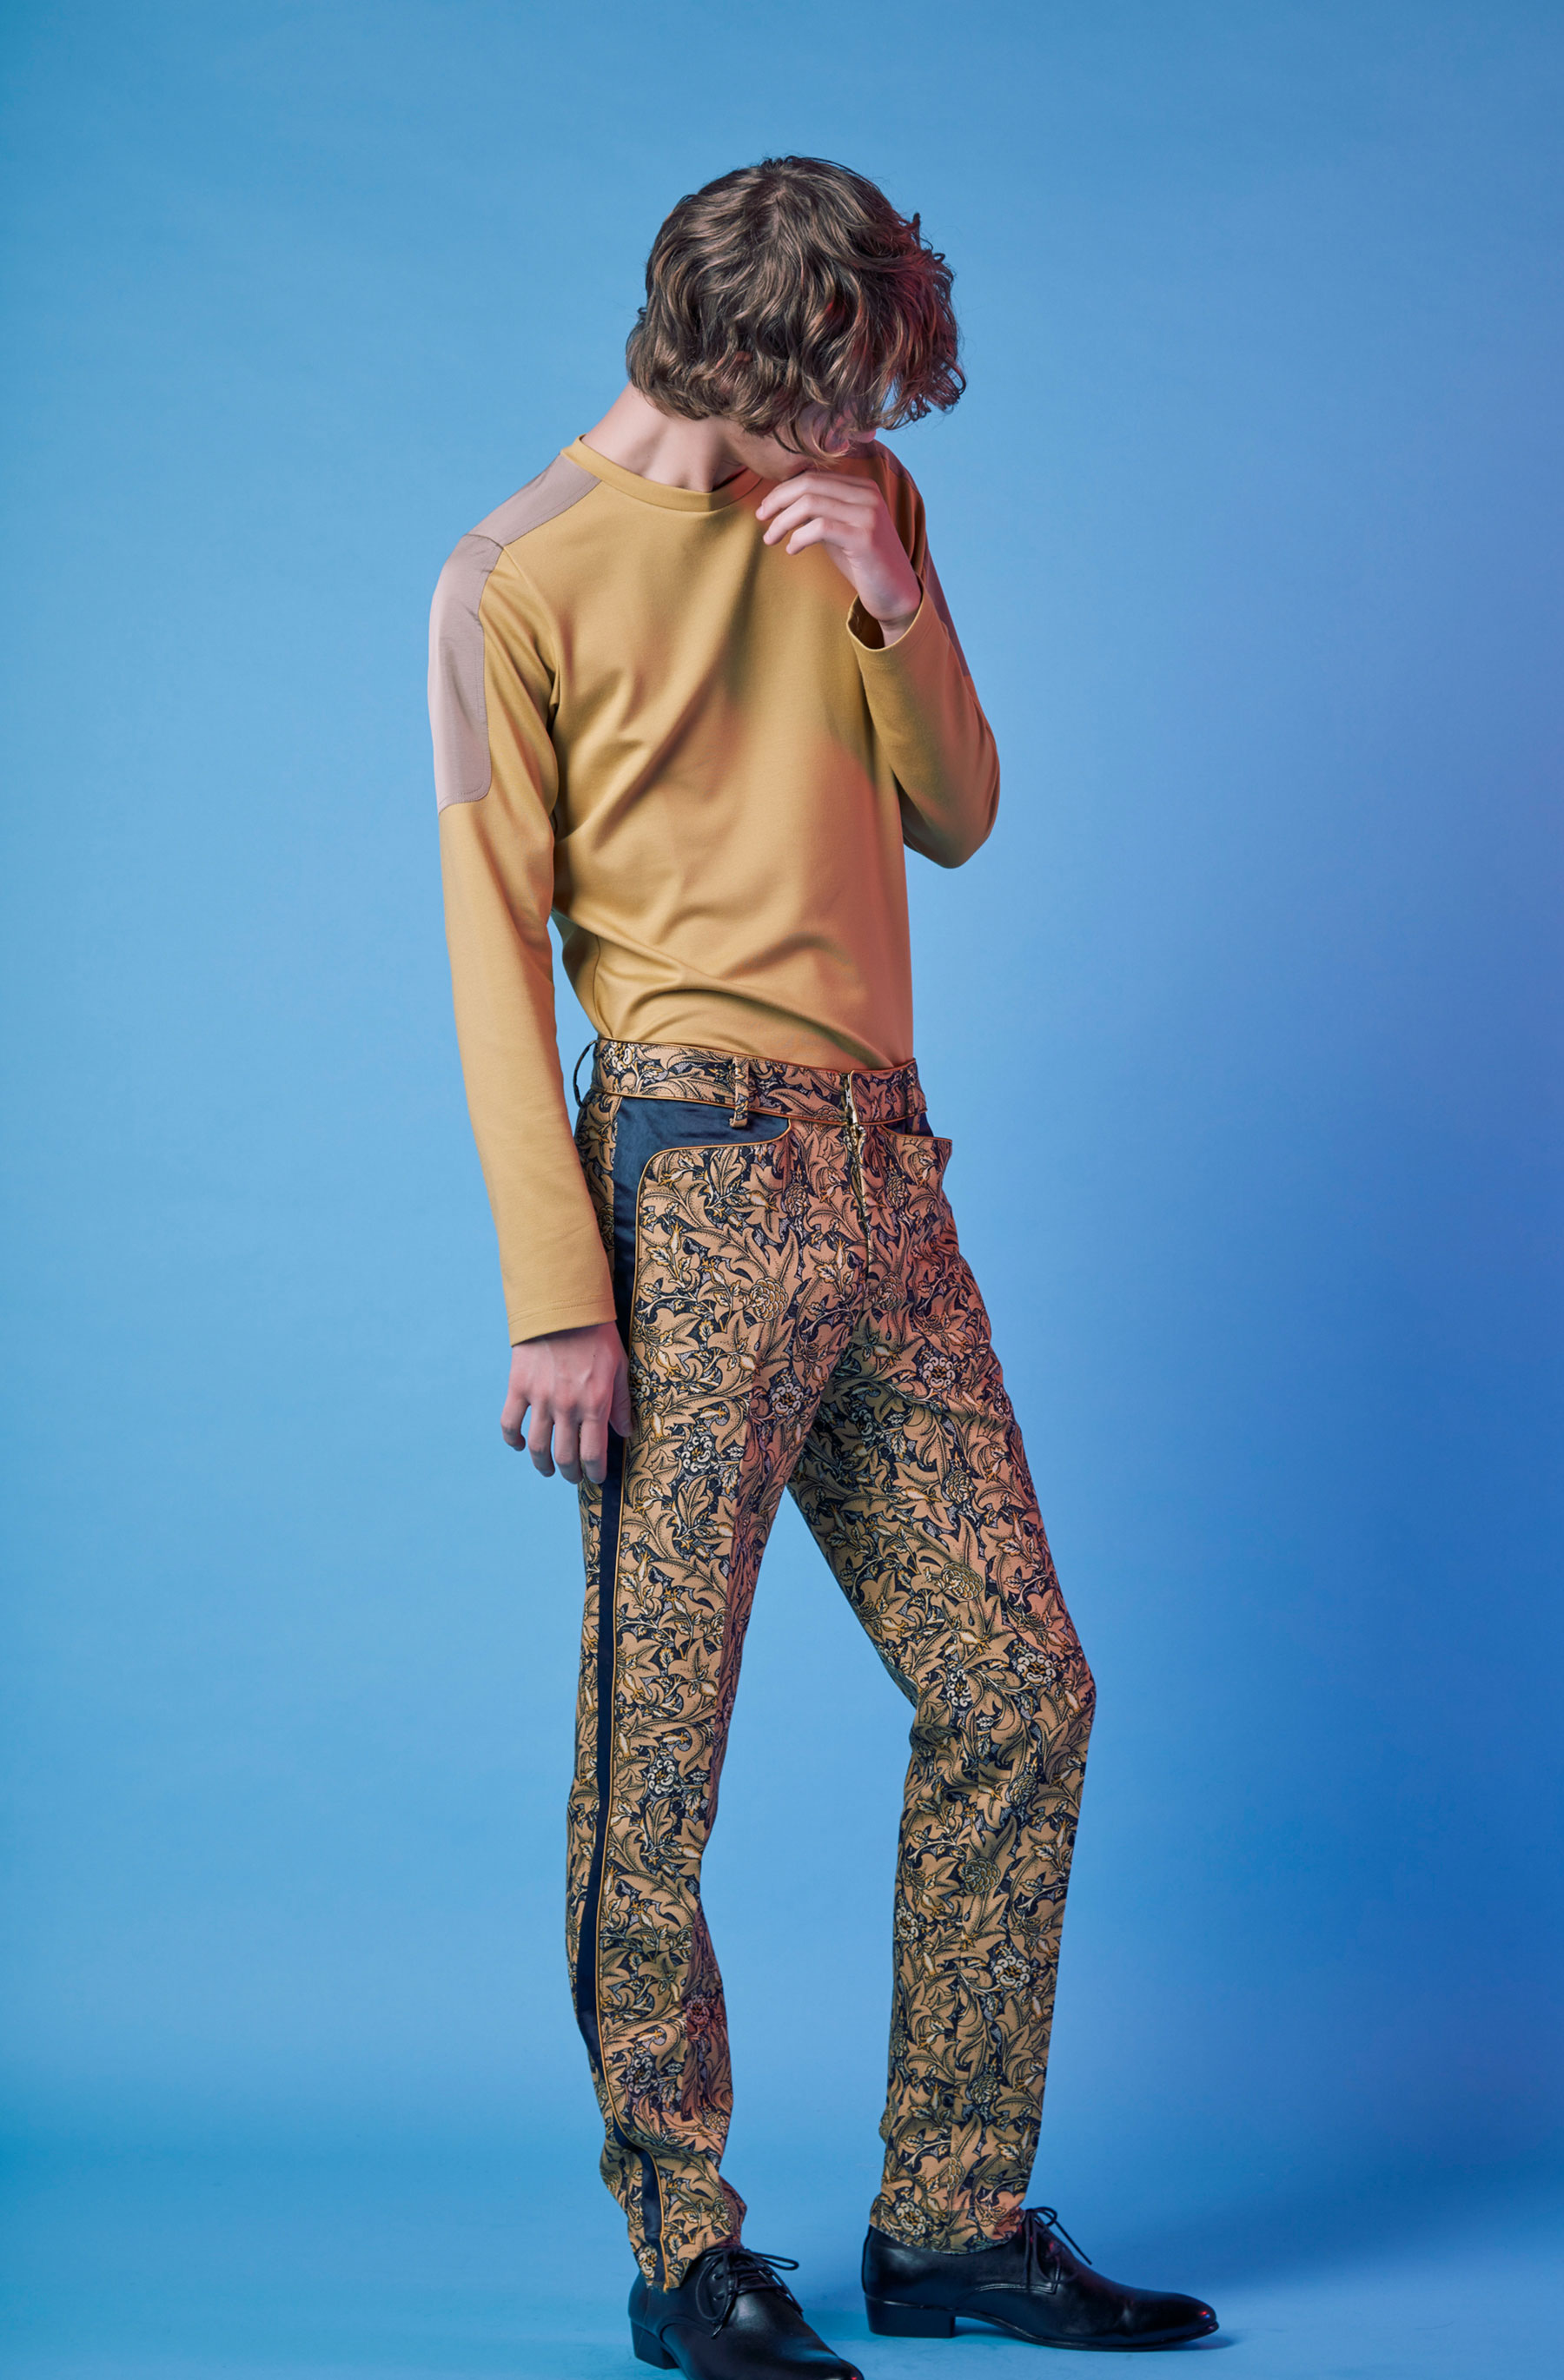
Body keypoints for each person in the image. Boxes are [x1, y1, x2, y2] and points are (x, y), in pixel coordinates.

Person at [429, 155, 1216, 2378]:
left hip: (889, 1167)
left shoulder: (859, 505)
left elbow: (955, 811)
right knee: (656, 1755)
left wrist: (892, 589)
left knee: (1020, 1688)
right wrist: (555, 1286)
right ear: (741, 361)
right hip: (685, 1184)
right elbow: (491, 955)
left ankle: (951, 2217)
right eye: (847, 389)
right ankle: (686, 2244)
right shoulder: (512, 580)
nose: (874, 426)